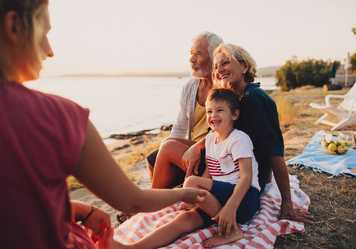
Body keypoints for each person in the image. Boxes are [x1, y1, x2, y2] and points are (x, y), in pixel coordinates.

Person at [0, 1, 207, 248]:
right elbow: (132, 201)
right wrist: (185, 193)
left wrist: (76, 209)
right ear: (13, 26)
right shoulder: (58, 117)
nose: (50, 50)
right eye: (44, 34)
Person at [112, 89, 261, 249]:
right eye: (209, 111)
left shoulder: (239, 139)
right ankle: (134, 247)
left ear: (234, 114)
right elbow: (210, 173)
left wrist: (230, 207)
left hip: (244, 198)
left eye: (219, 110)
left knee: (191, 182)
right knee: (184, 220)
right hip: (219, 201)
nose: (213, 115)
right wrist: (197, 199)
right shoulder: (211, 139)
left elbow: (246, 177)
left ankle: (231, 230)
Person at [183, 43, 312, 223]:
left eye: (226, 63)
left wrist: (287, 203)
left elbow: (275, 152)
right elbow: (221, 133)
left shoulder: (256, 100)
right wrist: (199, 145)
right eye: (216, 66)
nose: (220, 69)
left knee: (172, 150)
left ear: (244, 66)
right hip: (226, 168)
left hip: (245, 176)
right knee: (169, 152)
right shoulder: (232, 96)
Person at [148, 32, 223, 188]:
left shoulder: (224, 87)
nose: (192, 59)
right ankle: (160, 196)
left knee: (168, 147)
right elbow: (180, 126)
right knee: (154, 157)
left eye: (198, 54)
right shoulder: (190, 87)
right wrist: (167, 146)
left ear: (214, 56)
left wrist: (174, 147)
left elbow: (225, 131)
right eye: (191, 54)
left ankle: (151, 202)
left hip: (215, 154)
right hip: (194, 149)